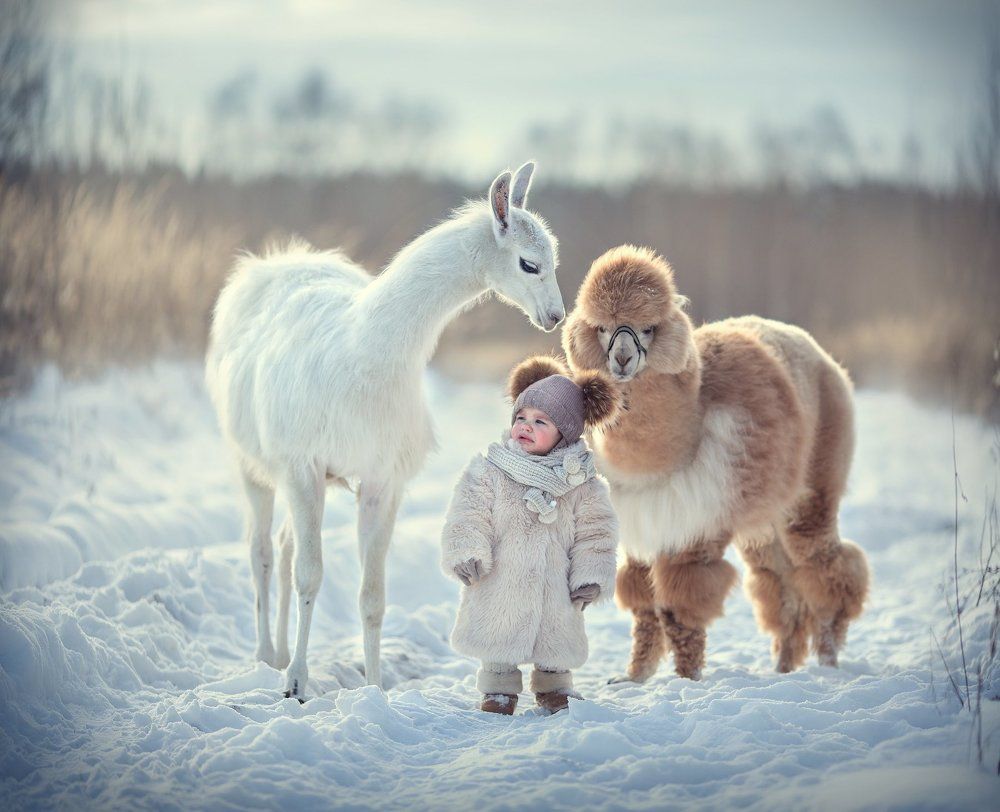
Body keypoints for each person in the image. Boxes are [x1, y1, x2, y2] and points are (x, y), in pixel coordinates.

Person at [441, 357, 620, 714]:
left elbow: (596, 534)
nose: (525, 425)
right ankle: (498, 689)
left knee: (556, 634)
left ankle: (555, 686)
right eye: (521, 417)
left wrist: (592, 576)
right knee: (497, 634)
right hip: (499, 579)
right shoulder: (489, 469)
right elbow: (467, 514)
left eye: (541, 421)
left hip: (555, 585)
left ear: (565, 433)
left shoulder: (583, 483)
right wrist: (466, 551)